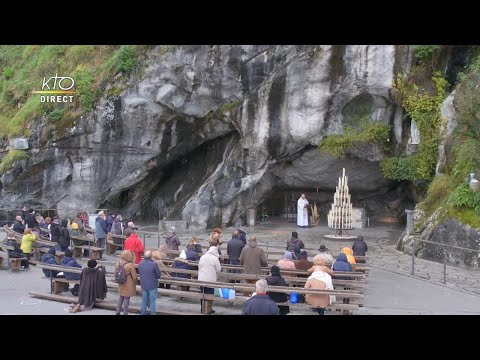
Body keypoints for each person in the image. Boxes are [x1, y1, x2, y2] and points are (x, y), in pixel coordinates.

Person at [198, 246, 221, 314]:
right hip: (210, 279)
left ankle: (202, 308)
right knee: (210, 294)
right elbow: (219, 269)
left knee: (203, 293)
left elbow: (199, 266)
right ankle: (208, 309)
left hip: (201, 278)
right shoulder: (215, 258)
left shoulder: (203, 256)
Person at [138, 250, 161, 315]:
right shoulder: (154, 264)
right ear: (151, 256)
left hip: (144, 285)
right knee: (152, 302)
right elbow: (158, 275)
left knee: (144, 301)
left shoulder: (140, 264)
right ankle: (153, 313)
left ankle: (143, 313)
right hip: (152, 285)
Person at [116, 250, 138, 315]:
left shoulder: (118, 263)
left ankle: (118, 311)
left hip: (120, 282)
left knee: (121, 297)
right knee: (126, 298)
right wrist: (136, 282)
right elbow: (134, 276)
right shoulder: (130, 265)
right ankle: (125, 312)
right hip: (129, 283)